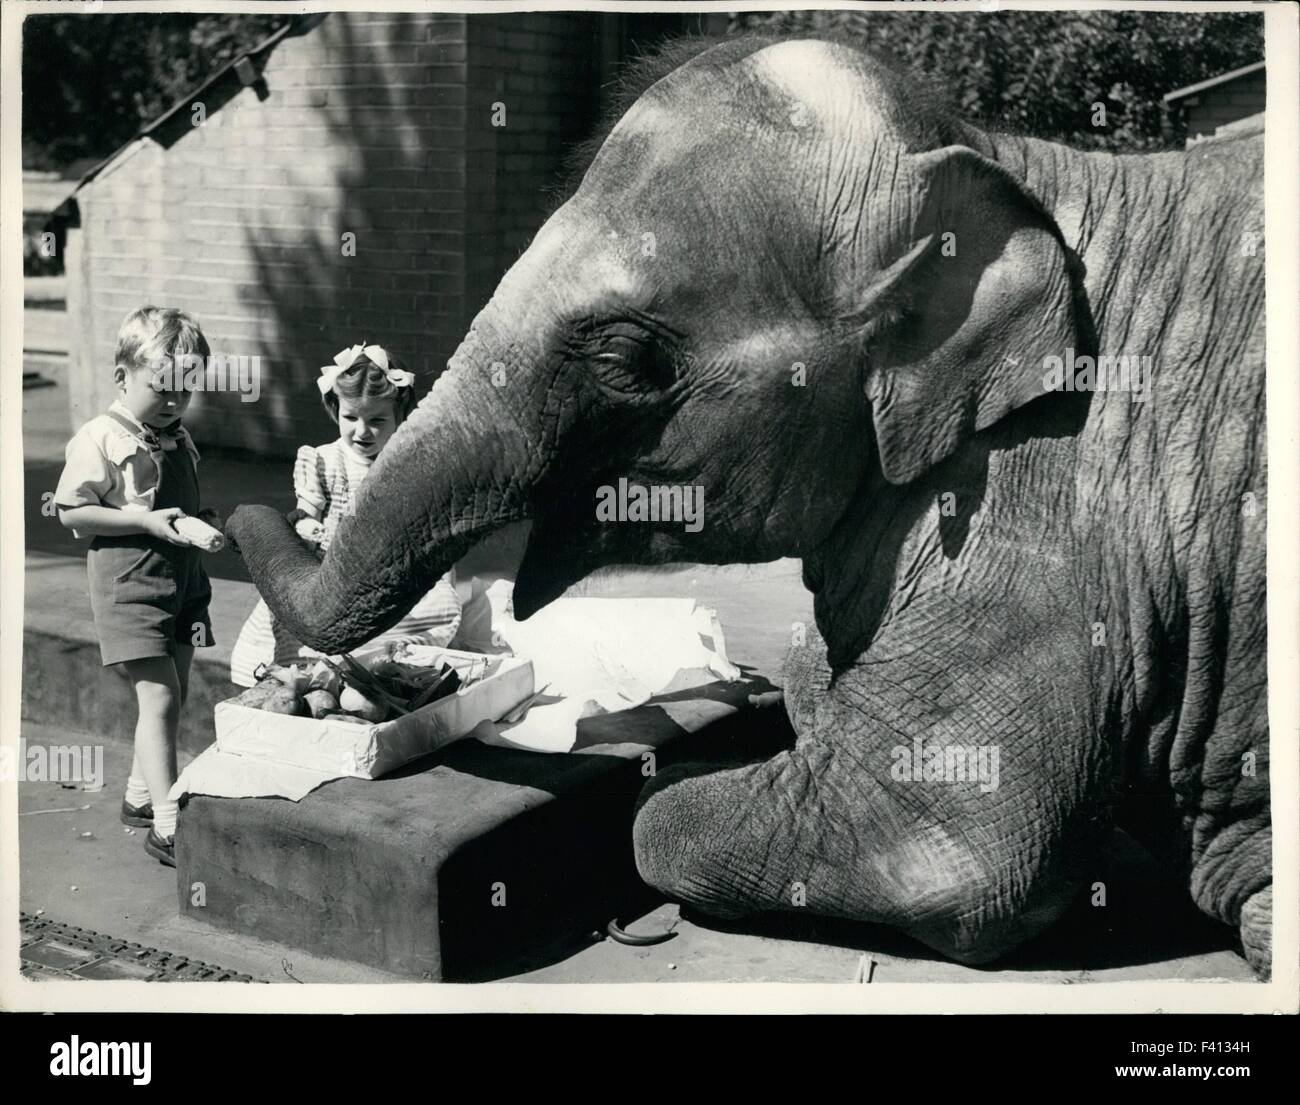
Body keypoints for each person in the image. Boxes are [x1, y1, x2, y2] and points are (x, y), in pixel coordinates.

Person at [55, 306, 221, 868]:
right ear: (122, 376)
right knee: (159, 695)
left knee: (174, 692)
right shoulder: (100, 437)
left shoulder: (177, 437)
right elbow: (72, 513)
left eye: (185, 391)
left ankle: (138, 797)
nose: (174, 403)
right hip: (131, 586)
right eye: (162, 389)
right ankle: (170, 826)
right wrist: (142, 521)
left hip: (183, 584)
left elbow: (181, 502)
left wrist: (209, 521)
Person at [229, 342, 485, 686]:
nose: (362, 431)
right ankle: (307, 678)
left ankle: (383, 668)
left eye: (377, 420)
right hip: (327, 569)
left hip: (390, 569)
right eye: (351, 418)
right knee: (296, 624)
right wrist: (306, 525)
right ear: (335, 409)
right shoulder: (322, 460)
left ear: (400, 415)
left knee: (428, 609)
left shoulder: (408, 464)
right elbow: (305, 512)